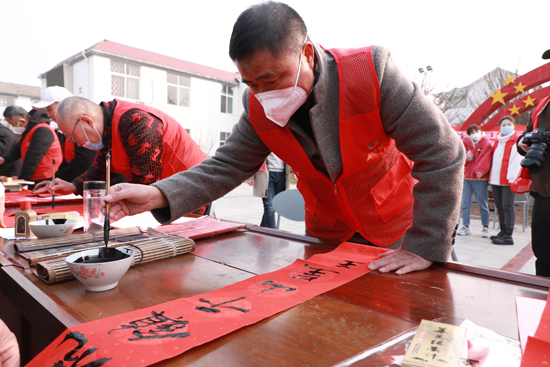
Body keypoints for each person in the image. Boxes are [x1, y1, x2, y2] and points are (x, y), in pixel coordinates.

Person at [103, 1, 465, 275]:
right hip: (330, 234)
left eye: (272, 79)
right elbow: (227, 165)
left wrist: (426, 244)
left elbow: (443, 153)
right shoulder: (257, 104)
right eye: (251, 83)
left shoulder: (371, 73)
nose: (263, 92)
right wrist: (157, 195)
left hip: (398, 229)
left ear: (306, 53)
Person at [36, 97, 208, 199]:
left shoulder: (138, 122)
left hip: (189, 192)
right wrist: (73, 186)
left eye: (72, 136)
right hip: (165, 194)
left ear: (86, 121)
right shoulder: (108, 128)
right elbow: (102, 170)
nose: (75, 143)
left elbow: (145, 184)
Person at [32, 86, 97, 184]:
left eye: (50, 110)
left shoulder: (83, 126)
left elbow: (84, 161)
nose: (48, 115)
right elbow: (67, 161)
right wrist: (54, 180)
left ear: (64, 107)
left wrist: (57, 181)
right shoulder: (66, 129)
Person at [517, 91, 550, 276]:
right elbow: (526, 136)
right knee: (543, 258)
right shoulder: (543, 104)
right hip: (541, 196)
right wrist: (522, 143)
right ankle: (544, 303)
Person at [1, 106, 62, 186]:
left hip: (46, 178)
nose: (13, 127)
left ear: (22, 121)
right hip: (34, 177)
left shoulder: (42, 130)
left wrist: (22, 178)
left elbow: (33, 157)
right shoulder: (29, 131)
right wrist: (3, 159)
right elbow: (18, 149)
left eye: (13, 124)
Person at [488, 116, 522, 245]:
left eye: (509, 124)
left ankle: (508, 235)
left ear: (514, 125)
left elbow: (517, 161)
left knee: (508, 206)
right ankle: (502, 232)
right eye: (503, 124)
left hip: (509, 179)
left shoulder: (517, 139)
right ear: (499, 127)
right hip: (496, 179)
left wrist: (512, 178)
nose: (506, 126)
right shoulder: (498, 141)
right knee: (500, 206)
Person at [457, 125, 493, 237]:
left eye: (476, 131)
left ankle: (485, 227)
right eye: (471, 132)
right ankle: (465, 226)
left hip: (479, 178)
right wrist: (466, 160)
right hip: (466, 177)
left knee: (482, 203)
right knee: (465, 203)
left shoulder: (487, 143)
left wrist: (480, 170)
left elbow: (485, 158)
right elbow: (460, 158)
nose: (474, 133)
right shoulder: (464, 143)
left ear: (481, 131)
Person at [248, 152, 291, 228]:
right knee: (270, 208)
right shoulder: (265, 139)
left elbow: (292, 154)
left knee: (274, 207)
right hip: (266, 174)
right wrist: (251, 176)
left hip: (283, 174)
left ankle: (261, 230)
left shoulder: (286, 140)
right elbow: (254, 155)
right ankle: (273, 235)